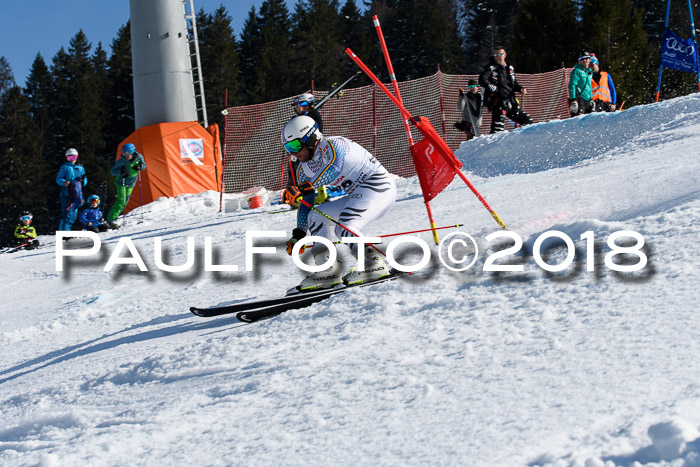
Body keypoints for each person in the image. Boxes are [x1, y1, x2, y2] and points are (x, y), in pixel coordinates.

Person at [280, 115, 397, 292]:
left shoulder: (334, 144)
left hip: (378, 185)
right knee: (316, 216)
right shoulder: (304, 170)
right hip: (357, 193)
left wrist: (305, 187)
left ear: (310, 138)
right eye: (288, 148)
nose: (293, 152)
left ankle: (372, 264)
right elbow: (307, 203)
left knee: (344, 226)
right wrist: (299, 232)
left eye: (295, 145)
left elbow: (334, 167)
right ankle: (328, 272)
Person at [479, 46, 533, 134]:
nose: (497, 56)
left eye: (500, 54)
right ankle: (491, 145)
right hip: (498, 102)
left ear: (505, 55)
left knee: (528, 121)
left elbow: (514, 84)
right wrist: (494, 88)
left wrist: (521, 89)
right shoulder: (491, 68)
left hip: (511, 101)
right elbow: (482, 79)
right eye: (495, 54)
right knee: (498, 129)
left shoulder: (510, 68)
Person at [106, 143, 146, 229]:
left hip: (131, 184)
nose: (125, 155)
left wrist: (140, 166)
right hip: (121, 183)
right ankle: (111, 220)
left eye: (127, 153)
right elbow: (112, 171)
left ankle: (113, 219)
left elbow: (144, 166)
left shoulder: (139, 157)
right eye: (124, 153)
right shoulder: (122, 161)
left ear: (132, 152)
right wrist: (121, 172)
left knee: (124, 202)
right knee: (121, 201)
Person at [56, 148, 87, 232]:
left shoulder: (80, 168)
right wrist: (64, 182)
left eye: (73, 157)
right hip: (67, 192)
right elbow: (58, 178)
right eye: (69, 158)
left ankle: (67, 231)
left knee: (73, 213)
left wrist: (82, 181)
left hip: (76, 192)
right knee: (67, 213)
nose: (71, 160)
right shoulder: (65, 167)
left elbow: (85, 179)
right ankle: (64, 232)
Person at [568, 52, 594, 116]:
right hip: (579, 97)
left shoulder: (590, 72)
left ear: (589, 59)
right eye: (582, 59)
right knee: (580, 117)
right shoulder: (577, 71)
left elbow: (589, 86)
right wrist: (573, 99)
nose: (585, 61)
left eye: (586, 58)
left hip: (587, 98)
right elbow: (572, 85)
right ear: (579, 61)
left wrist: (591, 99)